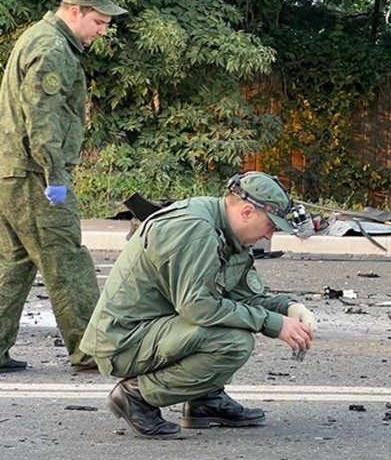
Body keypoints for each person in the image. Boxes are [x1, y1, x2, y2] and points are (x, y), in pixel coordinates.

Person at [80, 172, 319, 439]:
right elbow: (198, 307)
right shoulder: (196, 229)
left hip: (155, 330)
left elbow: (242, 297)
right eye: (271, 225)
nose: (269, 235)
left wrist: (289, 308)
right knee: (232, 342)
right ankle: (136, 396)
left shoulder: (228, 233)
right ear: (248, 212)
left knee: (231, 326)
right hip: (123, 341)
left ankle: (205, 400)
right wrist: (272, 324)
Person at [0, 0, 127, 373]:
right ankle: (92, 350)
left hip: (13, 172)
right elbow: (43, 119)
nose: (102, 31)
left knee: (14, 263)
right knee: (67, 261)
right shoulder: (52, 48)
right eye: (99, 21)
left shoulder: (39, 38)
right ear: (75, 11)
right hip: (35, 175)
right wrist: (55, 175)